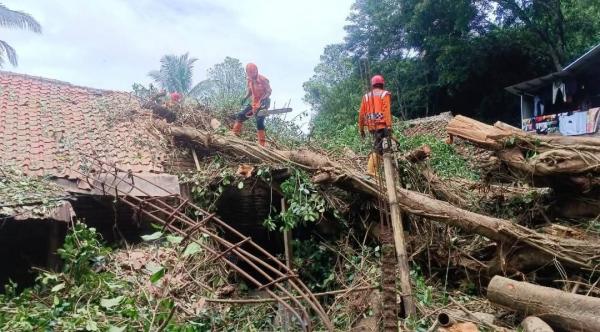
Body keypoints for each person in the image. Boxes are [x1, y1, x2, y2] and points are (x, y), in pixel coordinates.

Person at [358, 74, 392, 176]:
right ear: (382, 84)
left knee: (380, 147)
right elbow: (386, 111)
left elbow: (361, 114)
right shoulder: (384, 94)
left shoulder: (366, 97)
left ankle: (376, 170)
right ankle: (371, 170)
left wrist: (361, 129)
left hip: (372, 127)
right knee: (379, 149)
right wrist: (389, 126)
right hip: (382, 126)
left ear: (373, 85)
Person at [231, 63, 272, 146]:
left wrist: (263, 100)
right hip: (253, 104)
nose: (252, 75)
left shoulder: (263, 79)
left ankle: (262, 143)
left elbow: (269, 91)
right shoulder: (249, 80)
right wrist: (245, 98)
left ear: (256, 71)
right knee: (241, 115)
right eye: (250, 73)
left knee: (259, 121)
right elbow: (250, 91)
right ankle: (234, 134)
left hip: (263, 104)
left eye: (253, 73)